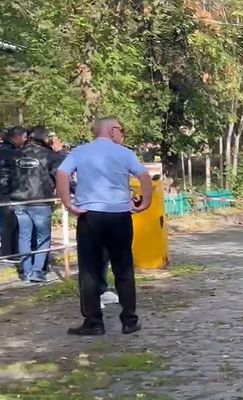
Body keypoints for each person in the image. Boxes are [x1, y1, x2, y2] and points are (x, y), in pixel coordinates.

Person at [57, 117, 152, 336]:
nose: (122, 134)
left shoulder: (80, 152)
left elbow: (61, 173)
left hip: (91, 215)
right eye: (121, 129)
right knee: (124, 268)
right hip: (119, 215)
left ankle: (94, 322)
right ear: (110, 131)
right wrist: (146, 201)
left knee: (89, 269)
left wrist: (68, 203)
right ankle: (129, 320)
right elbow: (144, 176)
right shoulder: (125, 153)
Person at [9, 126, 64, 282]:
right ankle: (37, 271)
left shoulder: (16, 153)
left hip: (20, 200)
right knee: (43, 237)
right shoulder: (49, 154)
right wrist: (59, 151)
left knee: (24, 236)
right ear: (44, 138)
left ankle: (26, 273)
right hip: (41, 201)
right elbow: (63, 170)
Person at [0, 127, 27, 259]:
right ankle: (9, 253)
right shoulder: (14, 153)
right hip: (8, 192)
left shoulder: (3, 150)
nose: (25, 140)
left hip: (4, 191)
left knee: (6, 223)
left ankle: (9, 252)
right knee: (10, 224)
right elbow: (14, 175)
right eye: (24, 137)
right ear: (17, 137)